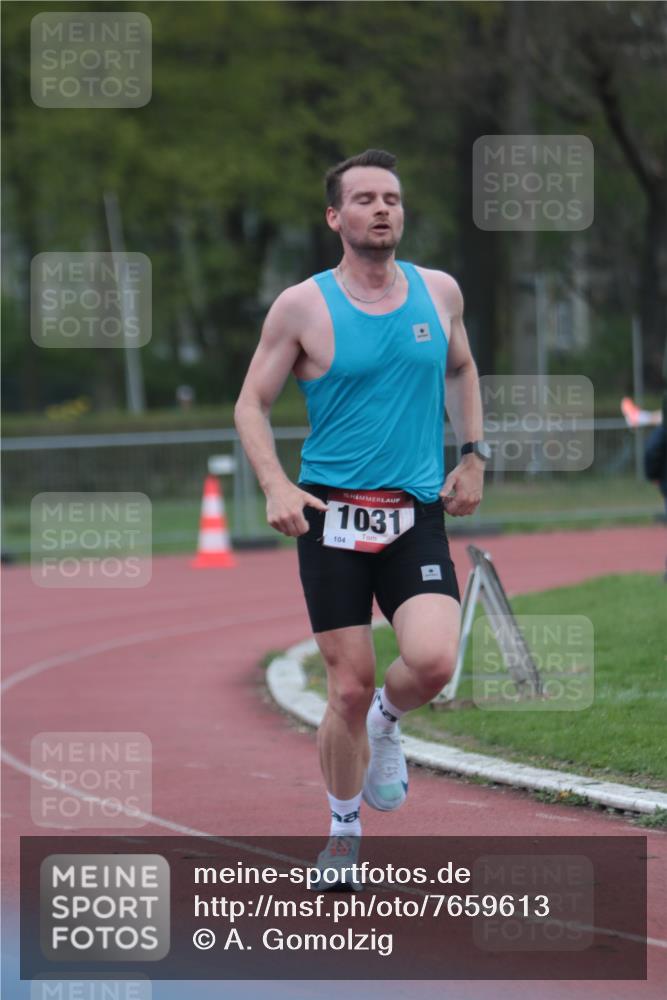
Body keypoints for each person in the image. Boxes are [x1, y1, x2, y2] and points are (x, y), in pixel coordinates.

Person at [234, 149, 488, 889]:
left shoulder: (438, 292)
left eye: (394, 199)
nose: (383, 210)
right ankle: (343, 833)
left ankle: (384, 723)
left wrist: (472, 455)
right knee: (343, 685)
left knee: (435, 662)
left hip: (413, 512)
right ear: (335, 217)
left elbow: (462, 368)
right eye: (366, 199)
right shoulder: (302, 306)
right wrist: (276, 484)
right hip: (330, 517)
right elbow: (251, 402)